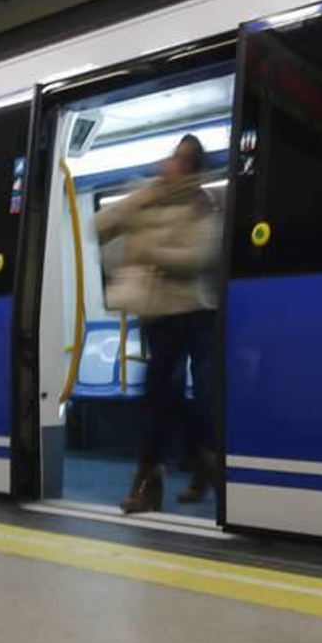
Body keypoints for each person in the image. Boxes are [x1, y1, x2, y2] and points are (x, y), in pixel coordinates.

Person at [94, 134, 221, 513]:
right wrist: (139, 199)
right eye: (172, 156)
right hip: (156, 314)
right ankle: (201, 462)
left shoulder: (201, 205)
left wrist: (148, 251)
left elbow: (199, 256)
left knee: (171, 397)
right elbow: (98, 225)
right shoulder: (150, 198)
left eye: (178, 159)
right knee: (166, 399)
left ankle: (155, 480)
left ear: (190, 167)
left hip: (192, 313)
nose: (170, 163)